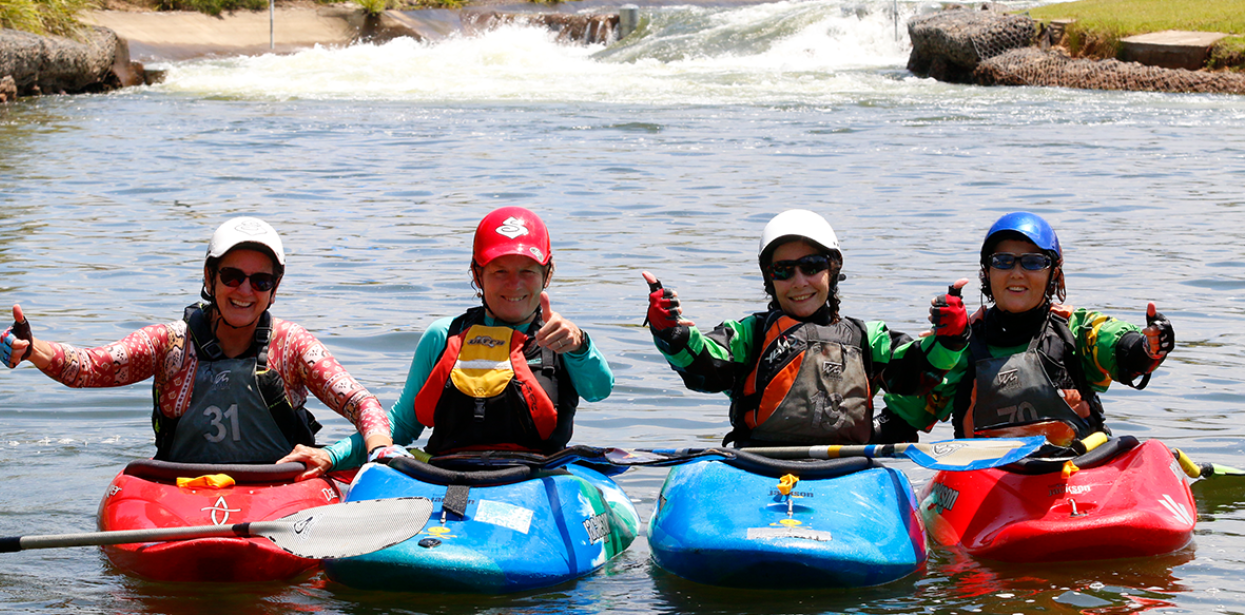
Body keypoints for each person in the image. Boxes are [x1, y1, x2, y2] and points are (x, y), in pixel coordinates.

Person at [0, 217, 394, 465]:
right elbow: (90, 366)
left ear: (275, 287)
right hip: (180, 488)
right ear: (209, 277)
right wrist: (32, 350)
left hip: (280, 492)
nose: (245, 290)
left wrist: (378, 452)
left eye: (261, 281)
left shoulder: (292, 345)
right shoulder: (170, 344)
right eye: (232, 276)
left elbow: (362, 403)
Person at [281, 206, 613, 478]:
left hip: (537, 476)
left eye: (527, 270)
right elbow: (403, 425)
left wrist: (581, 346)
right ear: (476, 273)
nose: (514, 285)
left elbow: (600, 390)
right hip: (446, 474)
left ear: (547, 273)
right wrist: (331, 455)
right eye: (499, 271)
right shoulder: (443, 335)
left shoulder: (564, 337)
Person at [642, 209, 970, 448]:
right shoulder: (748, 334)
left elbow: (916, 371)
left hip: (848, 472)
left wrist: (952, 337)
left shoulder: (868, 339)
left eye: (812, 266)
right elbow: (704, 366)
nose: (799, 282)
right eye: (783, 270)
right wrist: (671, 333)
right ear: (769, 278)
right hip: (759, 468)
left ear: (833, 268)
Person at [886, 211, 1175, 448]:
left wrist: (1149, 347)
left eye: (1034, 262)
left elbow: (1124, 349)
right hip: (984, 482)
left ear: (1054, 274)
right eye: (1003, 261)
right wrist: (940, 348)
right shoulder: (958, 344)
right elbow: (902, 419)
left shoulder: (1074, 329)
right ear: (987, 273)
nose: (1017, 272)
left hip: (1075, 473)